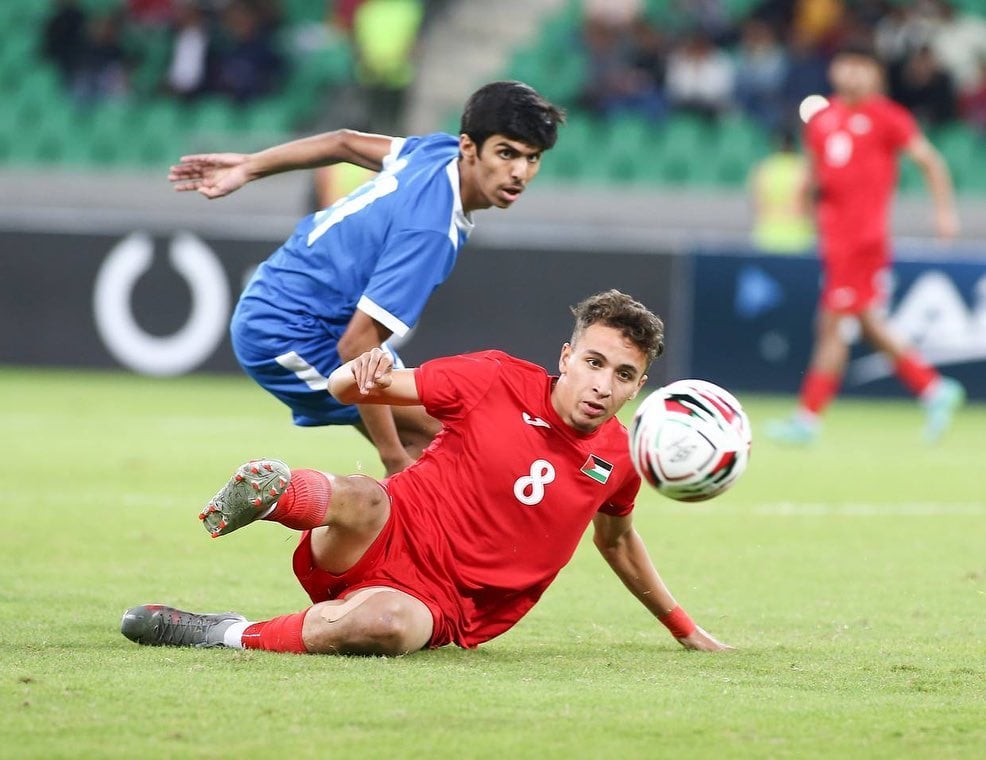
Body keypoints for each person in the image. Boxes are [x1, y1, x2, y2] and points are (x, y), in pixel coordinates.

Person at [120, 290, 731, 656]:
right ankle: (276, 493)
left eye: (622, 375)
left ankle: (223, 633)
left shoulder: (621, 459)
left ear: (638, 386)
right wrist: (361, 369)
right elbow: (345, 388)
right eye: (594, 362)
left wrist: (682, 627)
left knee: (382, 627)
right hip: (388, 529)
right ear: (566, 357)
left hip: (444, 604)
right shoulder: (494, 377)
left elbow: (617, 541)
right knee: (364, 497)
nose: (603, 385)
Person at [167, 81, 565, 475]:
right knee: (432, 442)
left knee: (443, 437)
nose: (519, 172)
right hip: (286, 331)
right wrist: (392, 455)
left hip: (300, 302)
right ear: (469, 147)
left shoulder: (438, 153)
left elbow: (343, 143)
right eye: (506, 153)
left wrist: (250, 166)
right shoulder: (429, 231)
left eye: (532, 158)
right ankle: (323, 504)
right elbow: (357, 345)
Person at [766, 43, 964, 446]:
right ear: (835, 69)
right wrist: (803, 198)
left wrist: (944, 212)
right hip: (834, 240)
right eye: (846, 64)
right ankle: (933, 387)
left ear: (875, 73)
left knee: (832, 324)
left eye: (861, 65)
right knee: (866, 323)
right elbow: (816, 172)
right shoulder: (821, 119)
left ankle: (808, 418)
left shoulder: (888, 117)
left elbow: (930, 161)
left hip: (864, 241)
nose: (853, 73)